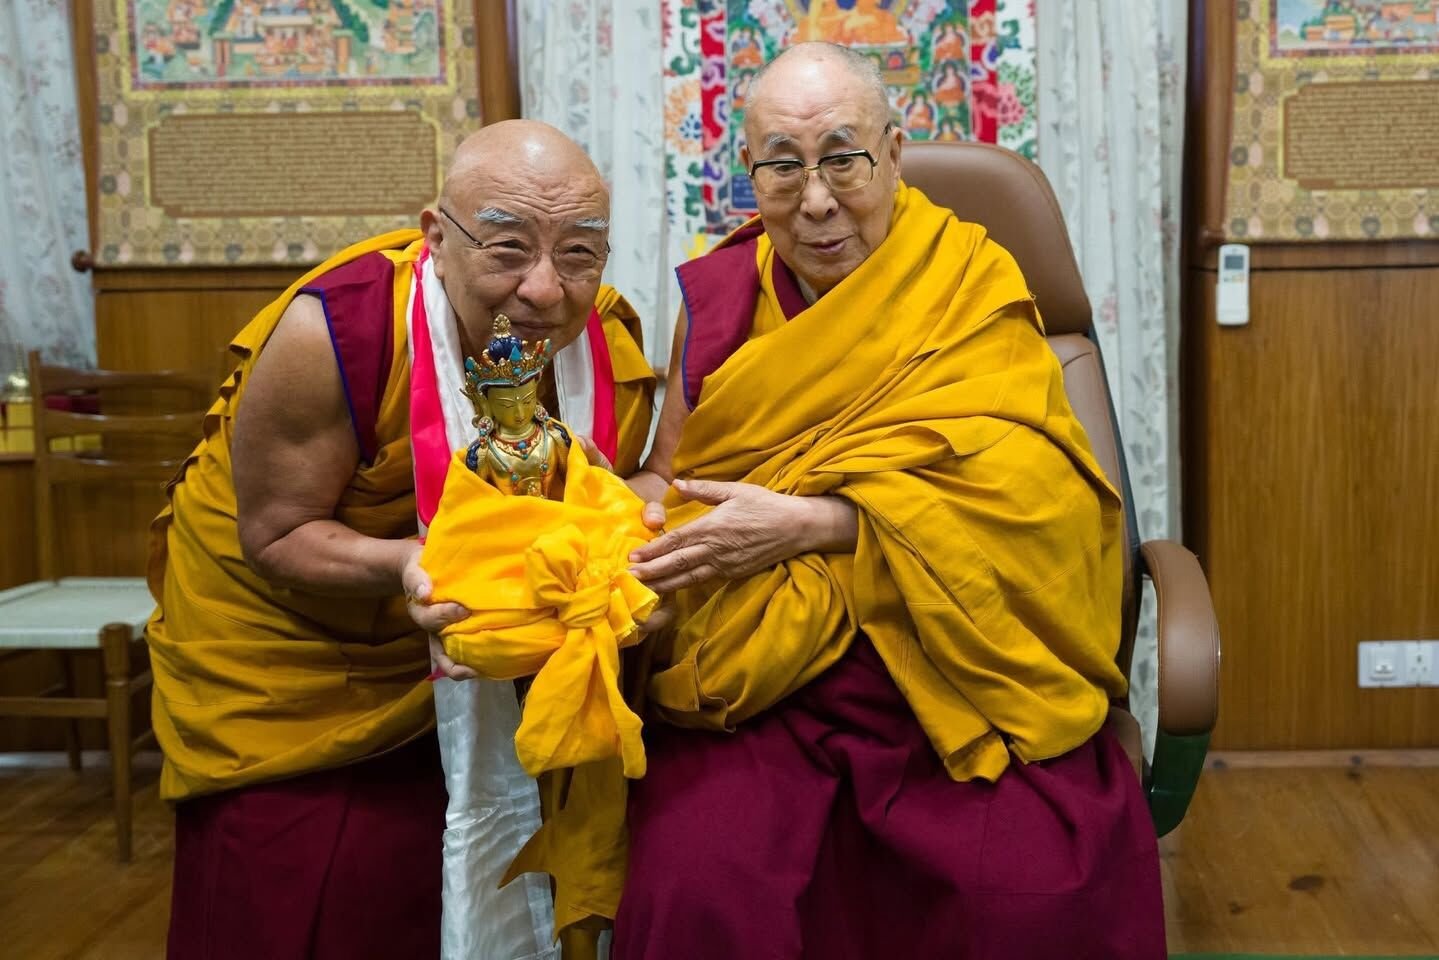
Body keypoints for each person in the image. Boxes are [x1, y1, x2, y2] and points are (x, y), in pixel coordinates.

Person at [611, 42, 1165, 958]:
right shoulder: (720, 298)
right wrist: (593, 519)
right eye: (782, 168)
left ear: (894, 153)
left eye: (843, 158)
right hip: (766, 677)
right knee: (697, 887)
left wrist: (819, 526)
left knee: (1028, 899)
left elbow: (1038, 504)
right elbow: (672, 481)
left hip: (955, 661)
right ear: (750, 174)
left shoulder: (968, 282)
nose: (816, 201)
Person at [145, 119, 655, 960]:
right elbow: (275, 533)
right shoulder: (335, 335)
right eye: (507, 248)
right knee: (312, 898)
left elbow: (620, 490)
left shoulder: (601, 340)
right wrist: (409, 564)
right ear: (436, 238)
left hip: (506, 664)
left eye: (578, 253)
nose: (543, 290)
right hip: (309, 673)